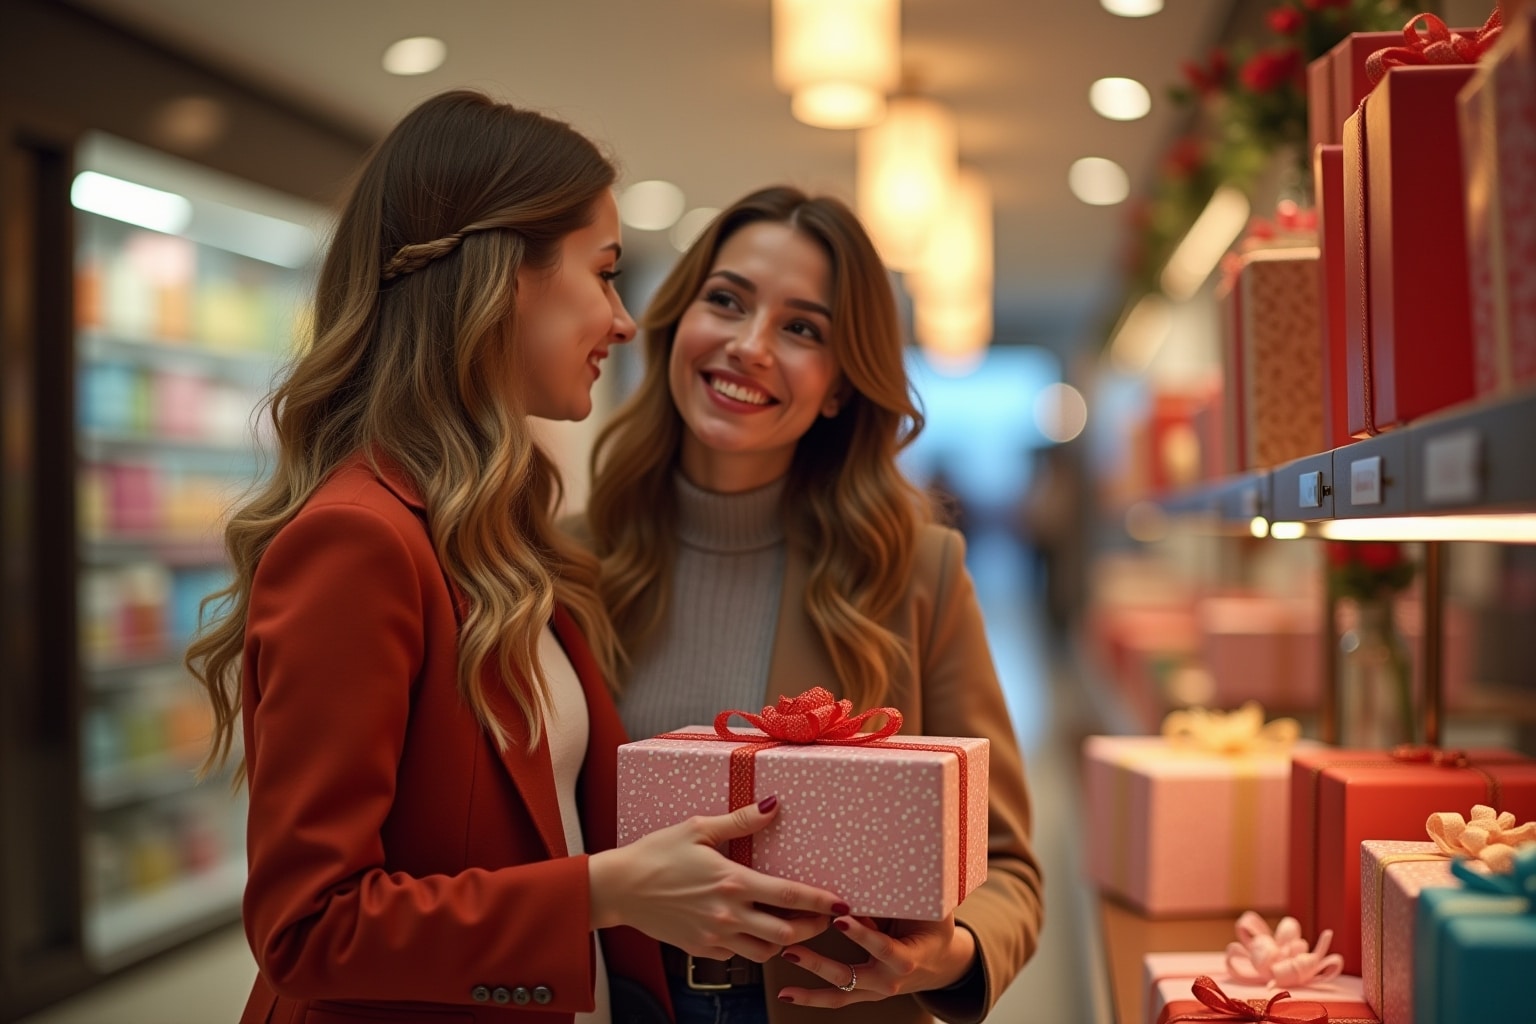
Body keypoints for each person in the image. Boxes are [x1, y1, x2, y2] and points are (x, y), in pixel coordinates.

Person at [186, 92, 848, 1024]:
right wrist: (603, 891)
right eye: (605, 273)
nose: (625, 323)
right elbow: (307, 928)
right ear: (507, 280)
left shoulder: (501, 532)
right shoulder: (360, 540)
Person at [578, 186, 1044, 1024]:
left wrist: (951, 952)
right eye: (725, 301)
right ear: (677, 322)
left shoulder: (916, 572)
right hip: (615, 1000)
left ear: (838, 386)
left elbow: (1007, 866)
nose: (750, 346)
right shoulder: (562, 563)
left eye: (802, 329)